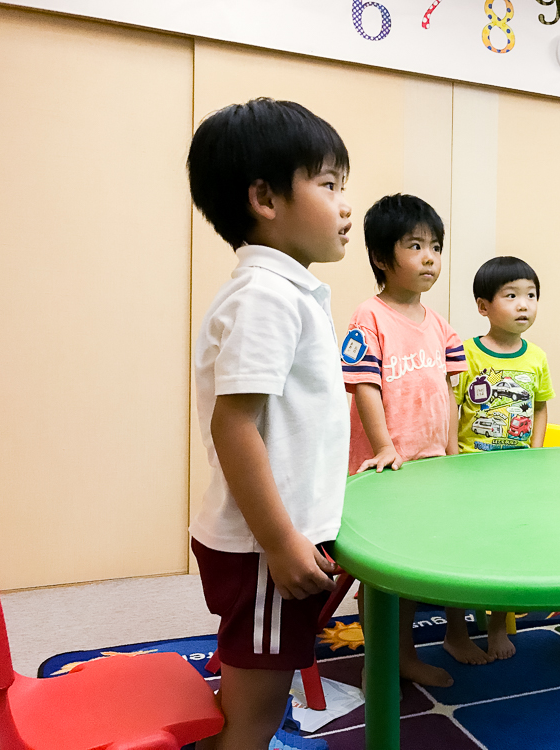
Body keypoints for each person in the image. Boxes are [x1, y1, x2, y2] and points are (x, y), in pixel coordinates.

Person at [186, 98, 352, 750]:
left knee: (252, 699)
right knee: (250, 722)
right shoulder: (267, 297)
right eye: (330, 184)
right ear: (264, 197)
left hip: (273, 543)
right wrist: (282, 543)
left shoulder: (288, 292)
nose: (346, 205)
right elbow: (236, 426)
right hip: (265, 551)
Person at [341, 194, 469, 687]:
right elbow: (364, 385)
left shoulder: (439, 326)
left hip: (432, 463)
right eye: (415, 245)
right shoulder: (368, 317)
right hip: (388, 467)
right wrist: (384, 446)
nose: (430, 257)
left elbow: (450, 392)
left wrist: (453, 449)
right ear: (380, 257)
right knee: (386, 571)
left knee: (421, 562)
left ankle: (413, 647)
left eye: (435, 246)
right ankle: (394, 656)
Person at [453, 256, 555, 660]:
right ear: (483, 306)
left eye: (531, 295)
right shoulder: (467, 353)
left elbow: (541, 407)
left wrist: (534, 453)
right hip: (471, 468)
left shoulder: (537, 358)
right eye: (511, 295)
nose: (524, 304)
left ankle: (498, 626)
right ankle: (456, 631)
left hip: (515, 473)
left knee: (507, 551)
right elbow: (452, 404)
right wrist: (450, 457)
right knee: (462, 551)